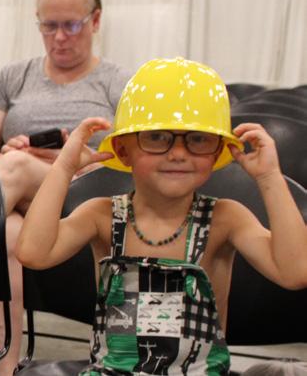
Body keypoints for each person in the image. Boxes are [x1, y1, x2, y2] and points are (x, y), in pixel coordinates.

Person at [16, 57, 307, 375]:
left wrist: (269, 178)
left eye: (198, 139)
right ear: (123, 150)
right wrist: (63, 168)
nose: (178, 153)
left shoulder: (226, 219)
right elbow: (33, 252)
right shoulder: (101, 215)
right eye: (156, 137)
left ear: (216, 152)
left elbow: (294, 271)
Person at [0, 0, 131, 374]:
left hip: (85, 195)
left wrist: (66, 160)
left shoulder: (117, 82)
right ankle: (5, 364)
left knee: (14, 172)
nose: (60, 37)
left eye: (71, 25)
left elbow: (127, 162)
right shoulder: (15, 76)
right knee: (5, 234)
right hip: (19, 197)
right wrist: (7, 150)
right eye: (49, 26)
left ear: (95, 21)